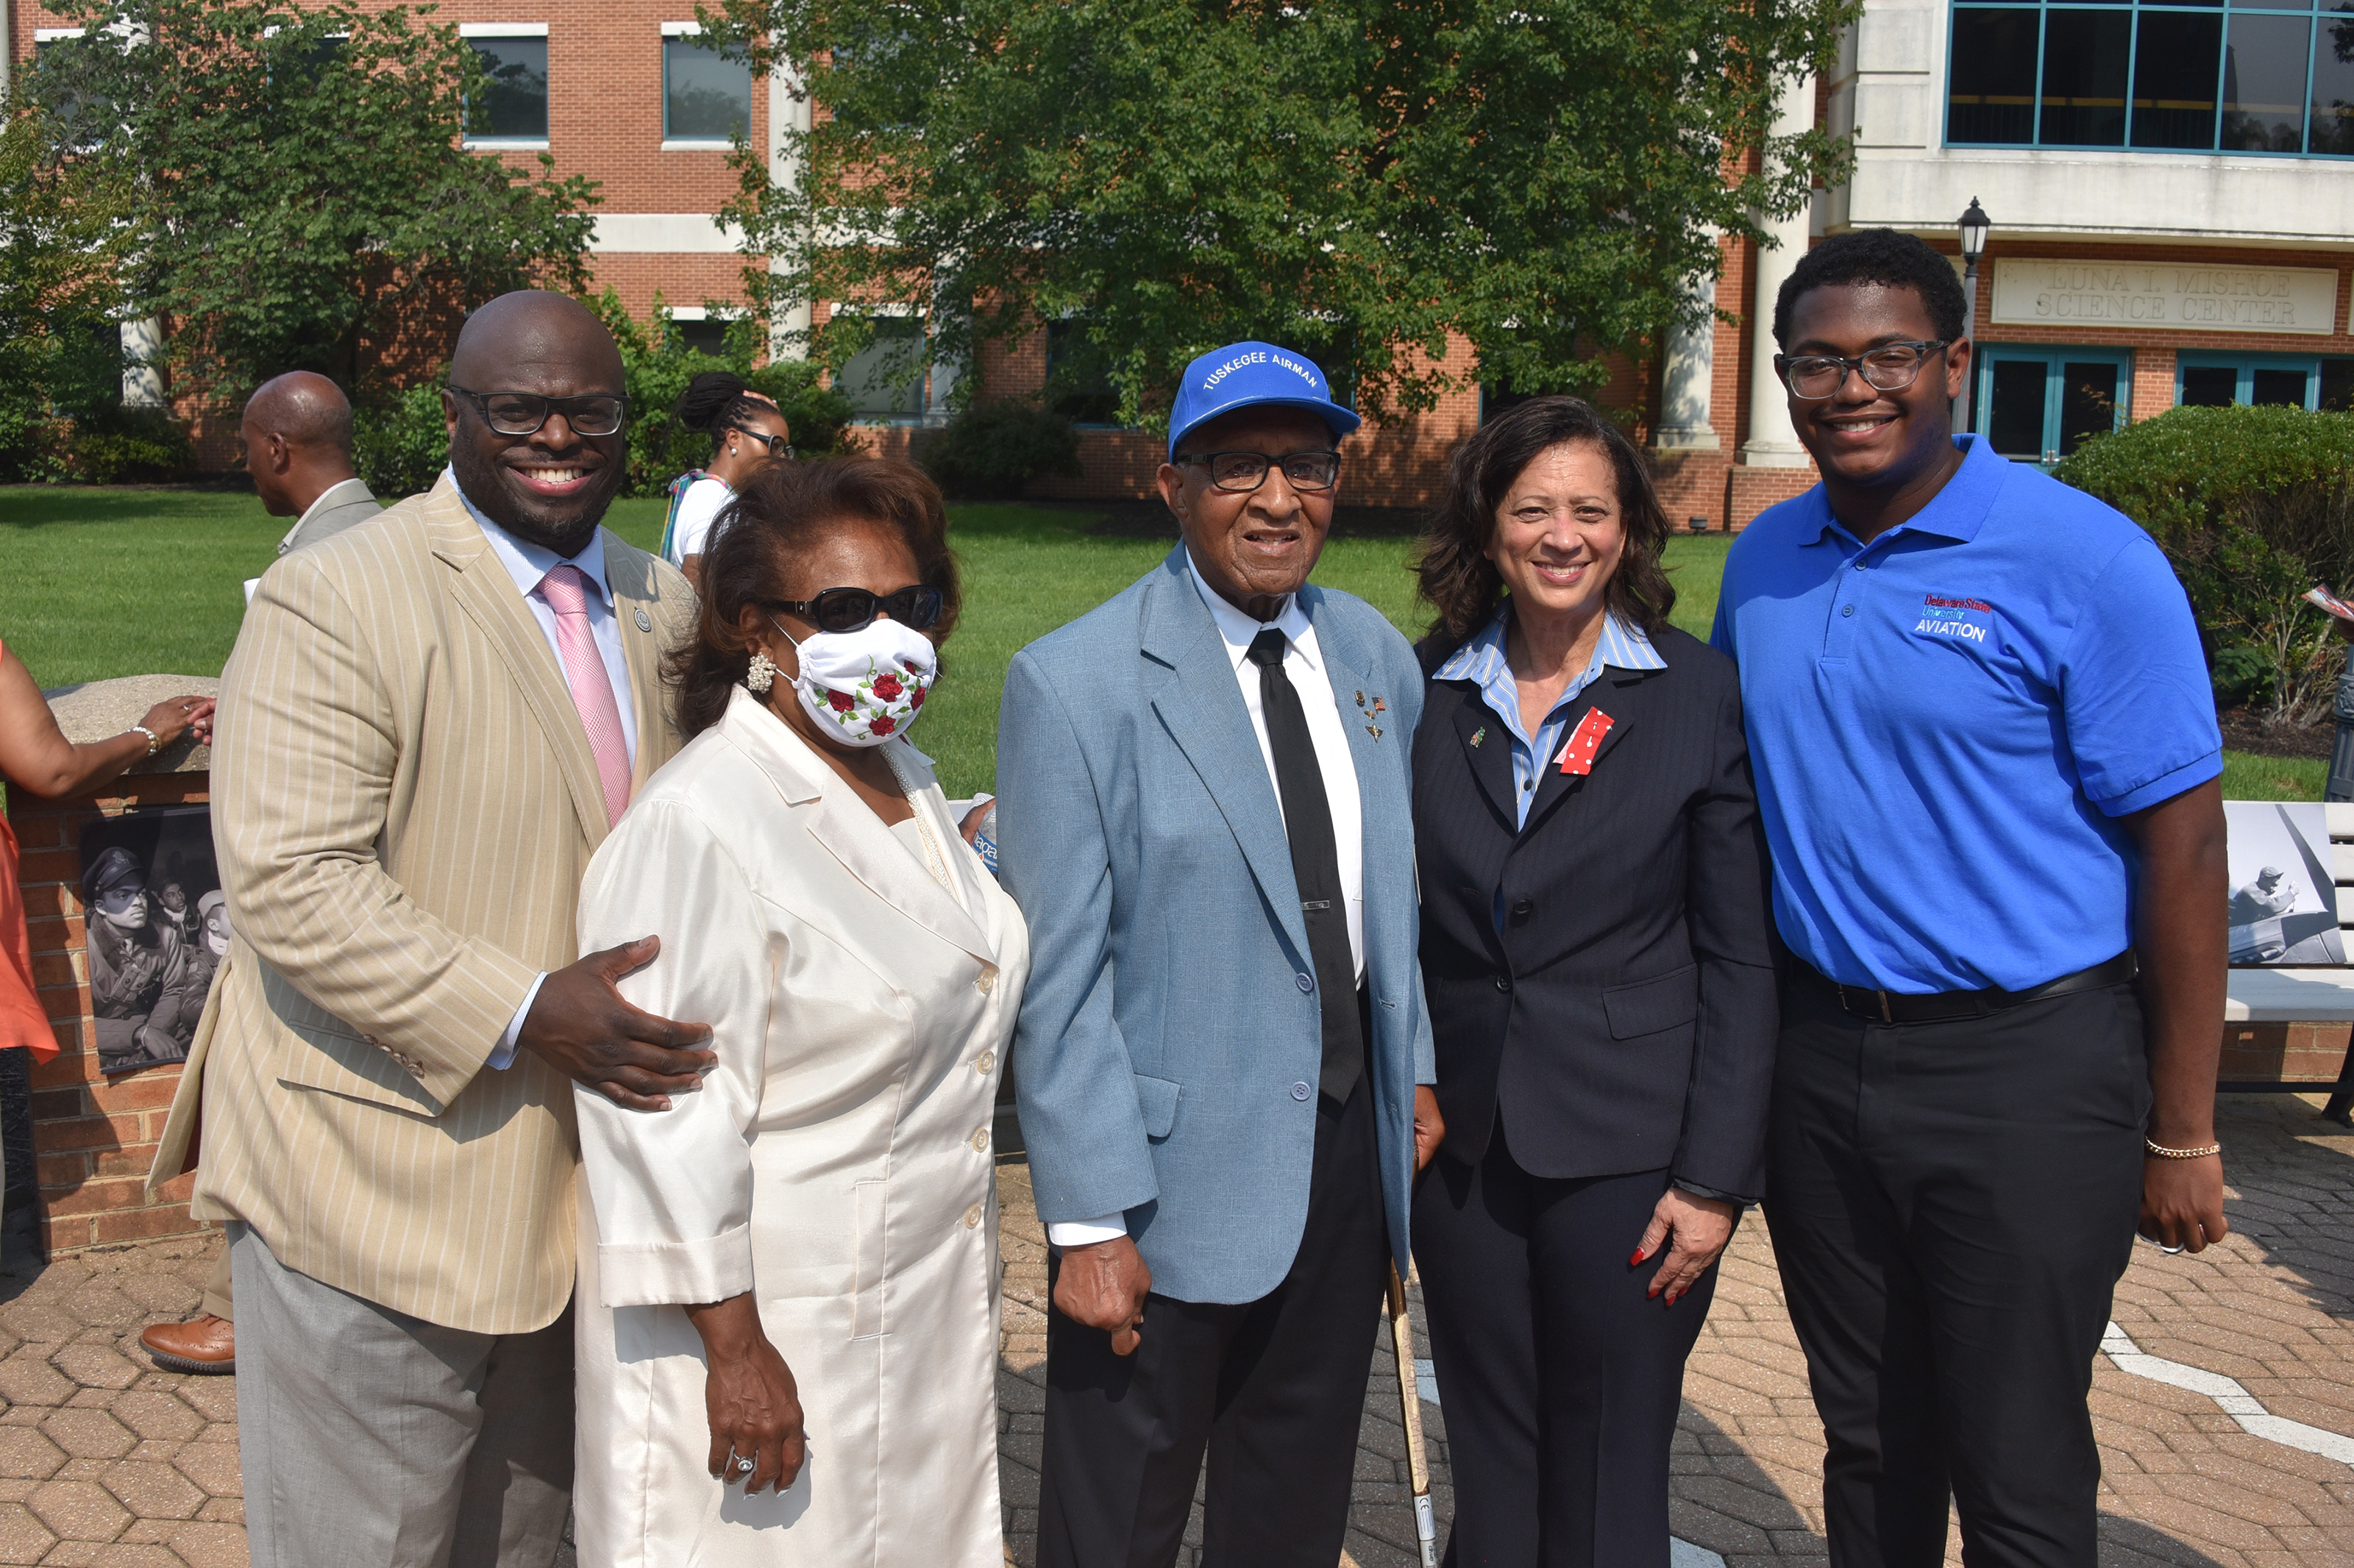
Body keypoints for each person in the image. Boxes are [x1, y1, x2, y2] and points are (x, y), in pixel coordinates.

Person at [147, 290, 718, 1568]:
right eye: (520, 410)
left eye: (591, 410)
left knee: (526, 1545)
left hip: (585, 1203)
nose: (558, 435)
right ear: (455, 416)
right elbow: (295, 880)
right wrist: (527, 1007)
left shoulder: (664, 602)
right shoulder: (339, 594)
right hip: (374, 1187)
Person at [1710, 228, 2227, 1567]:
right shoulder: (1766, 563)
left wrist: (2183, 1128)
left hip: (2028, 1070)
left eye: (1888, 353)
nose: (1852, 387)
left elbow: (2182, 852)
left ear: (1955, 361)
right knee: (1870, 1436)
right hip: (1822, 1068)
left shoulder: (2084, 559)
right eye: (1816, 361)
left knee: (2017, 1456)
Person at [998, 341, 1443, 1567]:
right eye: (1238, 464)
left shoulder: (1370, 658)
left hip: (1344, 1164)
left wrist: (1417, 1067)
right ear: (1170, 482)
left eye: (1306, 463)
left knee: (1290, 1514)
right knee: (1118, 1522)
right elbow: (1063, 983)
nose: (1279, 497)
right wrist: (1086, 1223)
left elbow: (1388, 899)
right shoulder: (1075, 684)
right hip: (1163, 1185)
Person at [571, 456, 1027, 1566]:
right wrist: (736, 1354)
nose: (888, 635)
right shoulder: (702, 826)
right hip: (767, 1332)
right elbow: (663, 1119)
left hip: (914, 1304)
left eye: (908, 605)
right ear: (751, 631)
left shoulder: (904, 779)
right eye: (841, 609)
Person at [1407, 395, 1778, 1566]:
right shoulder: (1419, 689)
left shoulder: (1696, 692)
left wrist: (1715, 1179)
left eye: (1590, 510)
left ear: (1628, 532)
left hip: (1633, 1152)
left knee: (1612, 1457)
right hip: (1460, 1149)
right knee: (1494, 1447)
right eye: (1532, 509)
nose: (1562, 536)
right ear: (1487, 525)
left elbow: (1738, 954)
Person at [0, 652, 210, 1255]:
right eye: (118, 894)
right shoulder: (98, 941)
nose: (137, 903)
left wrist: (153, 1026)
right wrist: (148, 735)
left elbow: (176, 986)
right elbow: (53, 771)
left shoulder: (168, 940)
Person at [659, 371, 792, 591]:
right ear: (734, 438)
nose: (782, 459)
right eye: (774, 445)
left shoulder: (715, 493)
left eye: (785, 449)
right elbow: (693, 600)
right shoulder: (713, 501)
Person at [83, 848, 205, 1071]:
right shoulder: (85, 949)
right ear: (100, 907)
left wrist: (153, 1034)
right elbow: (77, 1024)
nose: (138, 903)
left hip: (156, 1026)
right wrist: (140, 1034)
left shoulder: (166, 937)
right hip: (104, 1041)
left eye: (140, 894)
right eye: (123, 896)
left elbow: (174, 990)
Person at [242, 371, 383, 555]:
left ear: (277, 451)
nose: (248, 466)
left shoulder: (303, 565)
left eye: (248, 446)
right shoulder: (411, 536)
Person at [2228, 865, 2295, 925]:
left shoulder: (2260, 896)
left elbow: (2265, 914)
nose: (2274, 888)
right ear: (2263, 879)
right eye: (2273, 884)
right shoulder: (2250, 890)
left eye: (2276, 885)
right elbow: (2273, 906)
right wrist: (2291, 893)